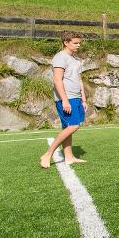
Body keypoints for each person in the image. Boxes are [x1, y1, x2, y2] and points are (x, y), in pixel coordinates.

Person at [39, 31, 88, 169]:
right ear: (66, 43)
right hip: (66, 98)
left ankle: (69, 157)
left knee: (69, 127)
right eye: (75, 43)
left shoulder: (75, 60)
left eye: (79, 43)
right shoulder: (60, 57)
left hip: (76, 97)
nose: (78, 45)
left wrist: (83, 99)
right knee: (73, 125)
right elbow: (57, 80)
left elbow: (79, 80)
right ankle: (48, 154)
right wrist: (64, 100)